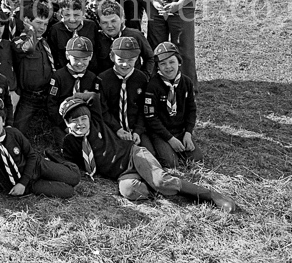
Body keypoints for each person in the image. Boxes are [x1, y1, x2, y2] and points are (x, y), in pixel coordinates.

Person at [59, 93, 236, 212]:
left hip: (133, 155)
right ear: (67, 123)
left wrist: (74, 99)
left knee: (160, 180)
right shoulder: (70, 142)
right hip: (122, 174)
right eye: (75, 121)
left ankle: (210, 195)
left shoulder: (97, 121)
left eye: (84, 119)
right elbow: (70, 161)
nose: (81, 124)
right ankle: (156, 186)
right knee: (129, 191)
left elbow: (93, 97)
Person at [0, 96, 79, 212]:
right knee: (68, 191)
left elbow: (32, 156)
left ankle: (53, 158)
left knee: (74, 177)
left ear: (3, 121)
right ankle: (49, 175)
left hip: (37, 166)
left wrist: (22, 182)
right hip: (30, 185)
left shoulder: (14, 133)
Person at [144, 42, 202, 168]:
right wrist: (170, 139)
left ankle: (180, 146)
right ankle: (159, 148)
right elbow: (151, 118)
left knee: (197, 159)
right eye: (162, 64)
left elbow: (191, 110)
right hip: (161, 133)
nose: (168, 67)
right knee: (171, 163)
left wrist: (188, 133)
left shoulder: (186, 82)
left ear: (179, 62)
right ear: (157, 66)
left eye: (171, 62)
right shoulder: (153, 86)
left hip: (180, 130)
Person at [10, 1, 57, 140]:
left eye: (45, 24)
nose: (42, 27)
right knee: (18, 131)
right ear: (27, 21)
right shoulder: (19, 41)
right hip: (29, 97)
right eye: (38, 23)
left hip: (48, 94)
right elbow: (29, 48)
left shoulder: (45, 42)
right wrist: (30, 30)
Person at [95, 37, 150, 151]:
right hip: (112, 128)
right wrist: (117, 129)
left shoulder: (141, 79)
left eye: (130, 60)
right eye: (120, 60)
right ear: (112, 57)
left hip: (135, 129)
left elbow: (143, 108)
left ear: (137, 59)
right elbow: (102, 110)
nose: (125, 64)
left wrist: (138, 131)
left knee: (150, 152)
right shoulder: (102, 79)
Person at [47, 36, 97, 148]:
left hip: (85, 122)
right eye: (76, 59)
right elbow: (52, 104)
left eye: (84, 59)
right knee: (67, 145)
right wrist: (64, 125)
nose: (80, 63)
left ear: (91, 57)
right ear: (67, 56)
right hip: (63, 122)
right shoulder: (58, 77)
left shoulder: (92, 78)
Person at [94, 0, 155, 75]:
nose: (109, 26)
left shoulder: (135, 35)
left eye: (113, 21)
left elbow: (150, 58)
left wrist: (145, 76)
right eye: (104, 22)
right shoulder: (97, 38)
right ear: (99, 23)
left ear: (122, 19)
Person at [48, 0, 99, 71]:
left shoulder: (91, 26)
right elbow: (54, 57)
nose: (72, 19)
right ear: (61, 13)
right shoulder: (55, 30)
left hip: (89, 74)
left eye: (76, 15)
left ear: (83, 13)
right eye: (67, 15)